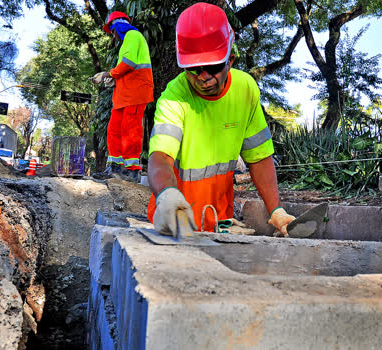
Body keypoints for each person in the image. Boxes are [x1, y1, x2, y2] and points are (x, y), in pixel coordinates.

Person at [146, 2, 296, 236]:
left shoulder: (245, 89)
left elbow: (259, 157)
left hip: (218, 219)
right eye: (194, 68)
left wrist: (276, 211)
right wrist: (167, 196)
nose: (204, 77)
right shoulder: (174, 98)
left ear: (231, 60)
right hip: (174, 222)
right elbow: (160, 158)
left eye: (213, 67)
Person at [91, 11, 154, 182]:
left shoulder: (133, 35)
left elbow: (129, 63)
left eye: (111, 31)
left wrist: (108, 73)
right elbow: (126, 68)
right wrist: (113, 78)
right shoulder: (128, 40)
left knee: (130, 130)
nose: (112, 36)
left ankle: (131, 170)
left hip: (136, 91)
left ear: (116, 27)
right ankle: (115, 167)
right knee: (114, 129)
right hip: (124, 94)